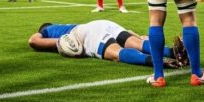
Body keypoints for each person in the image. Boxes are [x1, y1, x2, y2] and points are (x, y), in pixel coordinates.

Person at [28, 20, 188, 68]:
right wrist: (139, 37)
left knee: (116, 53)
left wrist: (62, 42)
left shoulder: (48, 30)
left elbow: (33, 41)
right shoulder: (63, 27)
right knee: (137, 43)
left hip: (86, 33)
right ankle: (172, 52)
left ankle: (154, 61)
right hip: (103, 24)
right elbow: (130, 32)